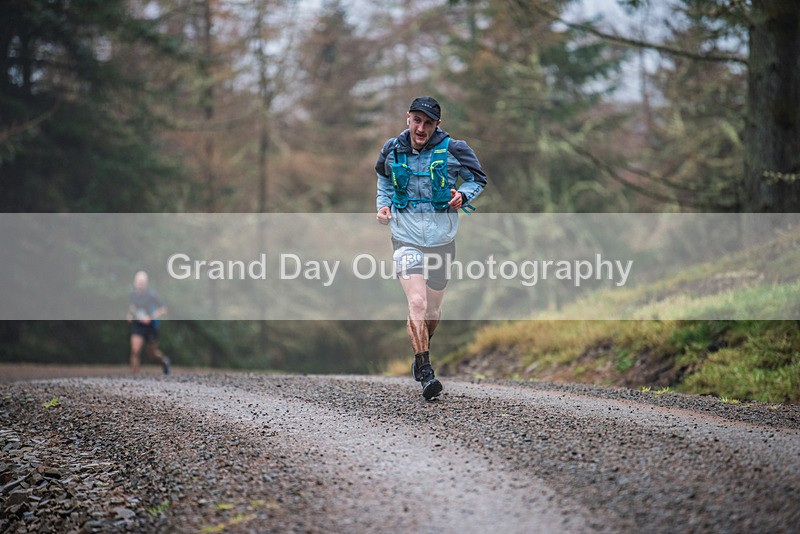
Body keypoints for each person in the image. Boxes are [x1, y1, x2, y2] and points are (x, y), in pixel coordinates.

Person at [375, 96, 488, 400]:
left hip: (441, 241)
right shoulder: (392, 149)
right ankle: (426, 372)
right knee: (417, 302)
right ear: (407, 118)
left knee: (433, 311)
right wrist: (383, 205)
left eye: (427, 123)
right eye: (416, 120)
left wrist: (463, 195)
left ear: (437, 124)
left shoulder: (455, 149)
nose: (421, 128)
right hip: (405, 237)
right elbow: (384, 179)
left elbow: (478, 179)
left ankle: (420, 349)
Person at [126, 270, 171, 375]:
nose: (140, 284)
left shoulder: (152, 295)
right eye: (139, 282)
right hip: (138, 325)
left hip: (151, 327)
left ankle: (164, 361)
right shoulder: (132, 294)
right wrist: (130, 315)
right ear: (134, 282)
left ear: (146, 283)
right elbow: (132, 307)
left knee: (152, 354)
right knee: (135, 351)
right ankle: (134, 376)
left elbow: (164, 309)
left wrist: (150, 317)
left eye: (142, 282)